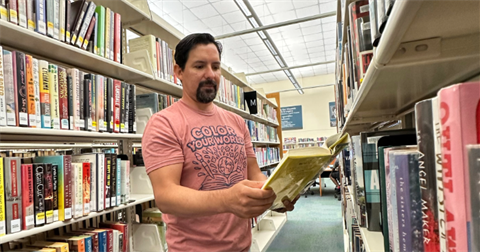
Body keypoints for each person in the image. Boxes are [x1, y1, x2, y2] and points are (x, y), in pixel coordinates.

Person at [142, 33, 297, 252]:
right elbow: (166, 197)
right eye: (199, 66)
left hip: (244, 245)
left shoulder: (237, 122)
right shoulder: (164, 123)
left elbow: (254, 174)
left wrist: (276, 195)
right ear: (179, 72)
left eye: (215, 67)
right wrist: (227, 199)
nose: (210, 74)